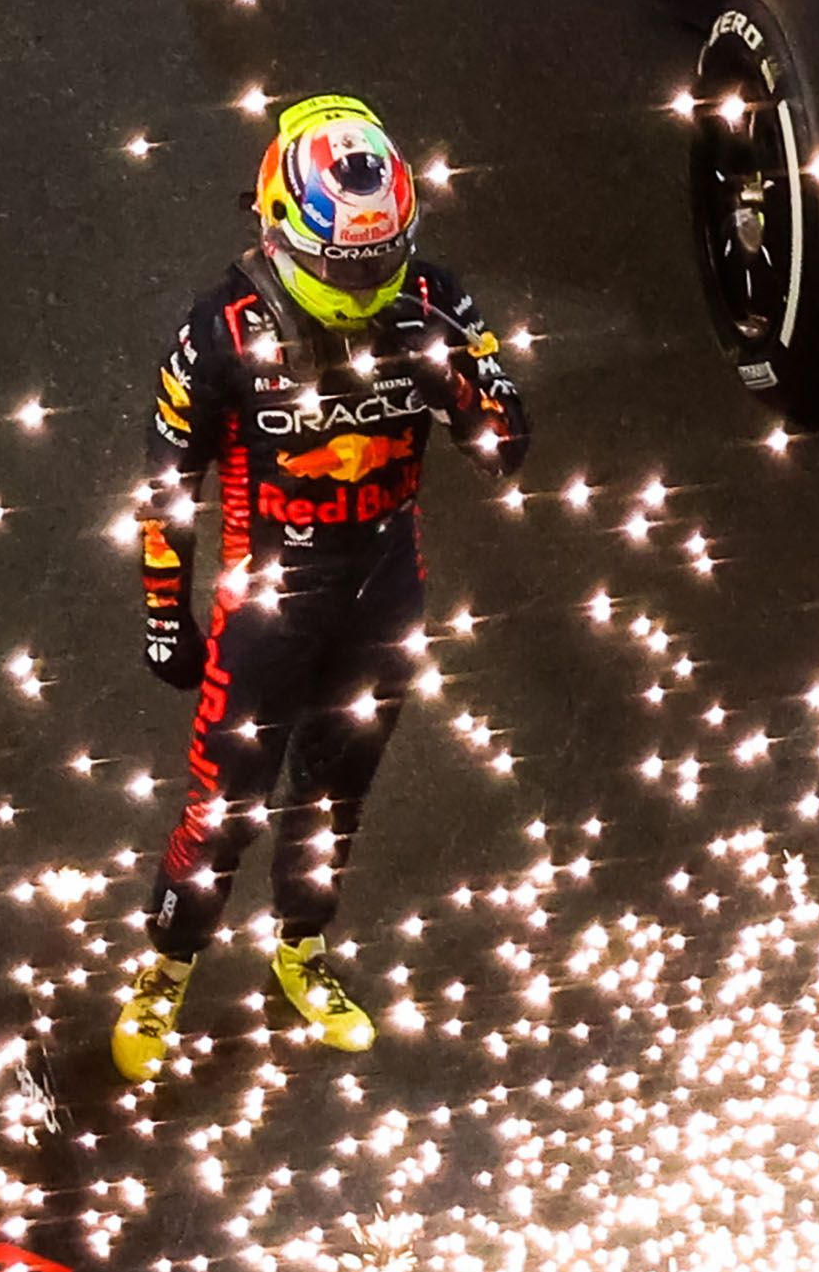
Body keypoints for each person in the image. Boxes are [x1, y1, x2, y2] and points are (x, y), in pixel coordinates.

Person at [114, 93, 526, 1083]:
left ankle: (301, 953)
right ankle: (164, 973)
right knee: (221, 810)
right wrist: (163, 615)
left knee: (334, 798)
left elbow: (506, 447)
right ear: (279, 228)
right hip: (268, 607)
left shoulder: (433, 298)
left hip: (384, 592)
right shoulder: (218, 328)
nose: (364, 280)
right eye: (345, 263)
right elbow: (167, 480)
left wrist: (451, 377)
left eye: (378, 260)